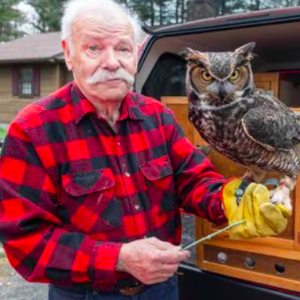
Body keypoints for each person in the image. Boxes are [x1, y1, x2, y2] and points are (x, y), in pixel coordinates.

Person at [0, 0, 290, 299]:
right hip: (87, 294)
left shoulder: (157, 115)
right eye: (94, 48)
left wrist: (232, 199)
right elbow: (26, 241)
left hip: (162, 288)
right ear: (69, 54)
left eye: (123, 48)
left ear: (137, 55)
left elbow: (192, 180)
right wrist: (119, 258)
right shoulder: (33, 130)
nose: (112, 62)